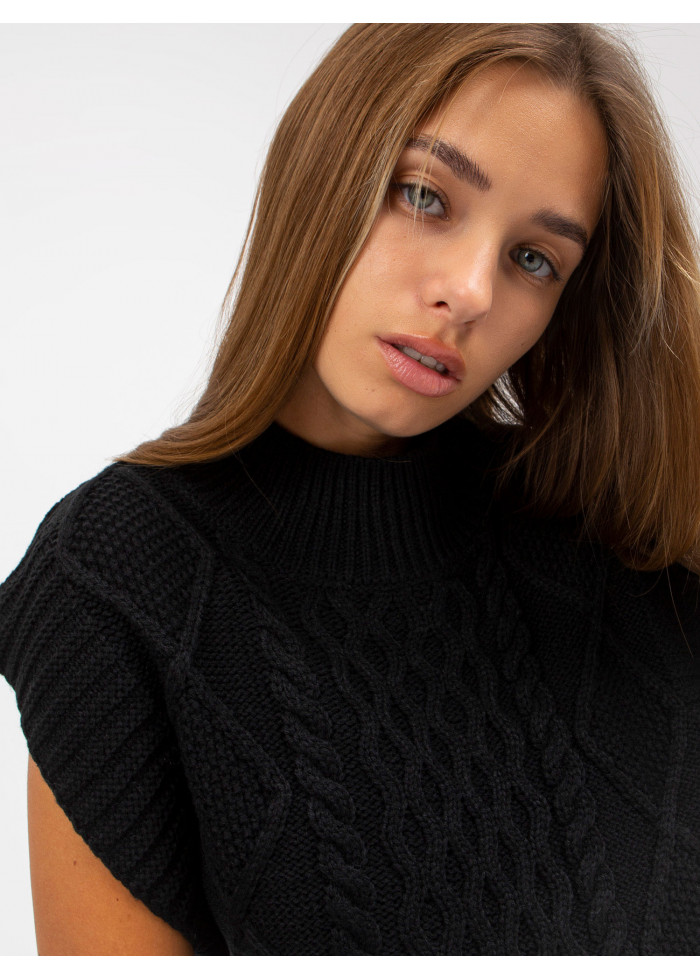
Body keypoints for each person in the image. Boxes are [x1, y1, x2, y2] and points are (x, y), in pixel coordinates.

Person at [1, 22, 699, 956]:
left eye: (534, 258)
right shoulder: (119, 581)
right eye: (425, 195)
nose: (472, 290)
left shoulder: (631, 545)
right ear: (323, 166)